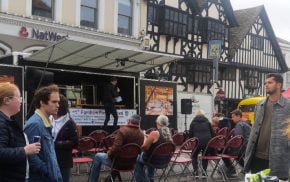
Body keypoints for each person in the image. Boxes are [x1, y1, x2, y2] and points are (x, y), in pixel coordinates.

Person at [244, 73, 290, 181]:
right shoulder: (259, 105)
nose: (266, 85)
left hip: (278, 159)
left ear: (278, 85)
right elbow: (255, 129)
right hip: (257, 156)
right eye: (265, 83)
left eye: (270, 82)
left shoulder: (288, 106)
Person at [0, 82, 41, 182]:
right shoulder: (2, 122)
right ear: (7, 100)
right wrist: (25, 150)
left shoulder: (7, 120)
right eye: (19, 98)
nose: (21, 101)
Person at [89, 114, 144, 182]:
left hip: (118, 163)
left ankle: (93, 180)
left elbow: (116, 148)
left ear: (129, 121)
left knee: (97, 156)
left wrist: (108, 153)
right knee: (117, 155)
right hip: (131, 164)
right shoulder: (141, 134)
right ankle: (109, 179)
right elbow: (139, 149)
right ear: (138, 122)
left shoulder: (122, 131)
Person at [24, 84, 63, 182]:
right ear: (42, 103)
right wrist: (48, 171)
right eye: (54, 102)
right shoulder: (35, 124)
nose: (58, 105)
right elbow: (32, 156)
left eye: (58, 102)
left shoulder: (43, 122)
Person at [134, 115, 173, 182]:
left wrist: (145, 138)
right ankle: (150, 178)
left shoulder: (154, 133)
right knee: (152, 155)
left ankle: (141, 180)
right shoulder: (168, 133)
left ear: (158, 122)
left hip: (153, 161)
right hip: (165, 161)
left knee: (137, 159)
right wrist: (150, 137)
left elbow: (144, 148)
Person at [52, 94, 78, 182]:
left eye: (56, 102)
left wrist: (56, 144)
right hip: (50, 158)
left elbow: (74, 142)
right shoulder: (49, 118)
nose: (54, 105)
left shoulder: (69, 122)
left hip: (63, 160)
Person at [223, 109, 251, 176]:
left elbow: (238, 138)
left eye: (233, 117)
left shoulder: (239, 125)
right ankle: (245, 169)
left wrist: (230, 145)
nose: (232, 119)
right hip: (247, 146)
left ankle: (231, 171)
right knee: (237, 156)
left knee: (223, 153)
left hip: (242, 147)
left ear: (238, 116)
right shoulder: (246, 123)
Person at [189, 110, 214, 178]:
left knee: (194, 156)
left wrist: (192, 141)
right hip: (207, 142)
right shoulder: (207, 122)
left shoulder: (193, 122)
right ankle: (204, 172)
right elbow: (212, 133)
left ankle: (195, 172)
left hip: (197, 142)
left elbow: (190, 134)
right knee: (205, 155)